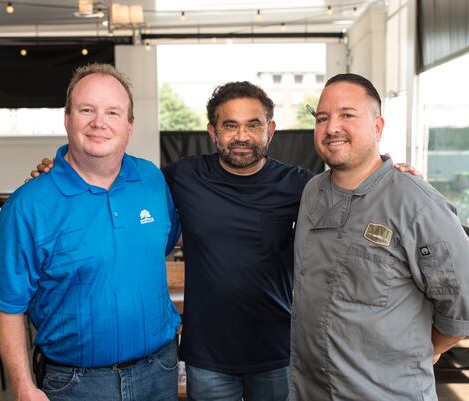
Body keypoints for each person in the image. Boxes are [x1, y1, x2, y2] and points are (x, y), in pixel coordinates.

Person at [32, 81, 418, 401]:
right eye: (230, 126)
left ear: (270, 130)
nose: (242, 136)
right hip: (207, 357)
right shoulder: (182, 176)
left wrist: (388, 174)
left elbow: (354, 189)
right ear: (213, 132)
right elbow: (113, 177)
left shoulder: (302, 185)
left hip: (278, 352)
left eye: (253, 125)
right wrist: (61, 168)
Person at [0, 64, 181, 401]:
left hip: (159, 372)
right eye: (86, 110)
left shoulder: (152, 180)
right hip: (76, 385)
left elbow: (160, 245)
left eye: (113, 112)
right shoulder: (28, 205)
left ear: (130, 126)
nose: (99, 122)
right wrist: (23, 386)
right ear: (67, 118)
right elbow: (6, 305)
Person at [289, 73, 469, 401]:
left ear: (378, 127)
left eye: (347, 115)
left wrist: (424, 349)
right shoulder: (312, 191)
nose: (331, 127)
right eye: (322, 118)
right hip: (309, 390)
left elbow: (468, 301)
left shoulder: (415, 201)